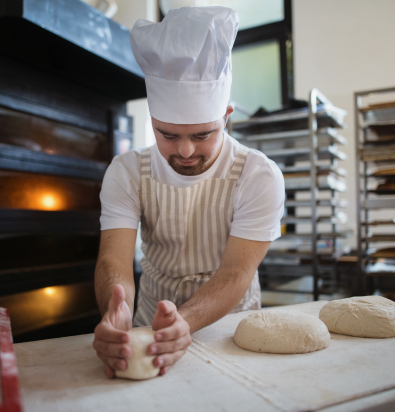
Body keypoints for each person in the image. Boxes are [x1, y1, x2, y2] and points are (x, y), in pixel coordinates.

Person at [92, 6, 285, 378]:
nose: (184, 151)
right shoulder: (126, 172)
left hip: (233, 332)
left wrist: (184, 320)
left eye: (201, 135)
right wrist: (116, 312)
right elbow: (113, 262)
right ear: (152, 122)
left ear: (226, 116)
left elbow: (235, 272)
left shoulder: (258, 175)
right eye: (168, 135)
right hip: (149, 330)